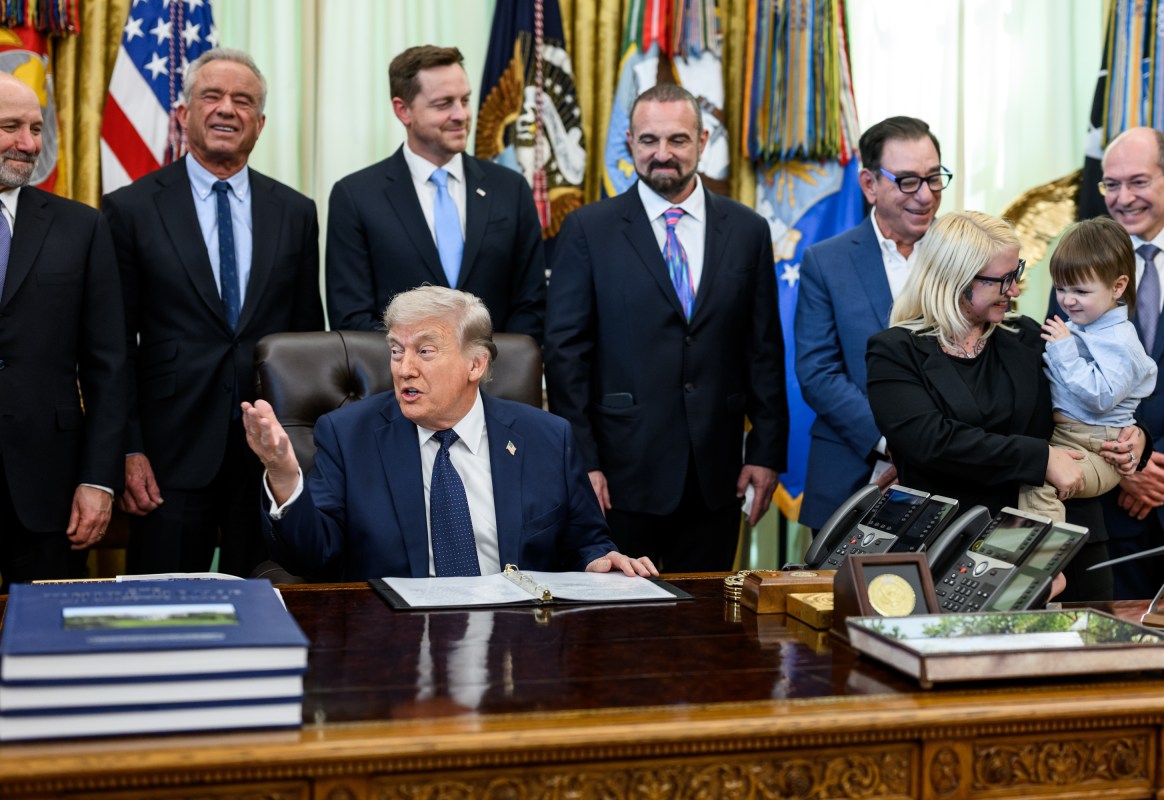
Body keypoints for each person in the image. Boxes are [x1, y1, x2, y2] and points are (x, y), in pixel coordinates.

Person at [242, 286, 656, 581]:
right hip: (395, 646)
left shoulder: (547, 436)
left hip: (520, 642)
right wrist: (282, 474)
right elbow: (310, 556)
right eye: (395, 350)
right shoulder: (349, 435)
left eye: (425, 351)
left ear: (475, 365)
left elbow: (585, 540)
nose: (404, 368)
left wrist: (599, 561)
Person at [544, 83, 787, 572]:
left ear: (701, 141)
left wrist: (765, 451)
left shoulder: (747, 230)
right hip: (620, 476)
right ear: (630, 143)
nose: (662, 154)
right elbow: (566, 355)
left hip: (717, 477)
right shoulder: (588, 230)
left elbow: (763, 350)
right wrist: (582, 462)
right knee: (623, 635)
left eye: (677, 140)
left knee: (710, 625)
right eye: (648, 140)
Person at [103, 48, 324, 578]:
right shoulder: (130, 209)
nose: (227, 109)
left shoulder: (295, 212)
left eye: (243, 100)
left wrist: (303, 451)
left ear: (260, 123)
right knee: (161, 610)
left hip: (267, 455)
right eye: (212, 96)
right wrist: (129, 449)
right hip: (168, 455)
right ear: (183, 114)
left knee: (269, 604)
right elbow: (112, 348)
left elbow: (306, 340)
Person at [866, 211, 1145, 598]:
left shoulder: (1026, 335)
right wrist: (1041, 458)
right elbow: (931, 441)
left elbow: (1102, 390)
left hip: (1066, 542)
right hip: (958, 547)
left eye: (1017, 272)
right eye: (1004, 280)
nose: (1015, 290)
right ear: (957, 279)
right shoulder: (895, 350)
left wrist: (1136, 438)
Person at [0, 72, 127, 589]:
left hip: (48, 491)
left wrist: (98, 478)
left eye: (36, 127)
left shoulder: (81, 227)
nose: (30, 144)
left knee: (47, 650)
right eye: (11, 127)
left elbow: (109, 366)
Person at [324, 45, 545, 340]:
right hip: (398, 380)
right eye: (443, 104)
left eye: (465, 100)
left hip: (495, 378)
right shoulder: (356, 197)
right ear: (403, 110)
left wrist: (484, 366)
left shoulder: (510, 188)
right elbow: (351, 316)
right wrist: (425, 360)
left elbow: (531, 303)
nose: (461, 114)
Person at [794, 116, 948, 534]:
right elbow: (818, 372)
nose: (925, 195)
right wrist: (897, 442)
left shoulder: (966, 258)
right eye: (907, 181)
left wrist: (934, 448)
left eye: (934, 178)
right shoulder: (826, 261)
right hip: (852, 478)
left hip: (951, 481)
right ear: (868, 184)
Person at [1089, 126, 1164, 599]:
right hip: (1113, 507)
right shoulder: (1083, 263)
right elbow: (1064, 381)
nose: (1123, 197)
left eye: (1138, 181)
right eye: (1111, 185)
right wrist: (1127, 468)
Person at [1020, 217, 1157, 523]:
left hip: (1097, 446)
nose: (1067, 300)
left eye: (1081, 291)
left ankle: (1044, 566)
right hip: (1066, 436)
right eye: (1061, 287)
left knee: (1040, 483)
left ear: (1117, 286)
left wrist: (1064, 351)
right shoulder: (1080, 325)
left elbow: (1101, 396)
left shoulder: (1119, 339)